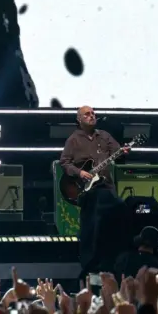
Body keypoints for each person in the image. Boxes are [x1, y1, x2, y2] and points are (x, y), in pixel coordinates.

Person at [59, 105, 130, 278]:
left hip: (106, 187)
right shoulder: (73, 140)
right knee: (91, 228)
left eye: (93, 113)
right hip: (88, 192)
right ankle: (89, 266)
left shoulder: (104, 136)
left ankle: (113, 265)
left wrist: (123, 152)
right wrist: (80, 173)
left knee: (114, 224)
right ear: (79, 119)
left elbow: (118, 153)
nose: (92, 116)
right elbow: (64, 162)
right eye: (87, 114)